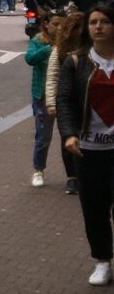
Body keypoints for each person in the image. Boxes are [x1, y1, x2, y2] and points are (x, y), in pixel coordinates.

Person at [56, 5, 114, 285]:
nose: (98, 27)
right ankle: (102, 261)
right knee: (95, 209)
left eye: (104, 22)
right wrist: (69, 133)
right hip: (89, 151)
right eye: (93, 22)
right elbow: (65, 100)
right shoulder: (76, 61)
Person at [45, 10, 83, 194]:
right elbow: (52, 77)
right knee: (67, 136)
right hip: (66, 101)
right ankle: (72, 177)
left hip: (88, 101)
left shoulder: (95, 50)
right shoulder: (59, 51)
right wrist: (51, 102)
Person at [25, 19, 54, 188]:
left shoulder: (69, 41)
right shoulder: (38, 41)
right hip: (42, 95)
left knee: (71, 134)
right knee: (43, 135)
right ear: (46, 25)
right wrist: (49, 50)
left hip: (64, 95)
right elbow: (30, 58)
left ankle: (74, 175)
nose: (57, 28)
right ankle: (38, 170)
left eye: (61, 24)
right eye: (54, 24)